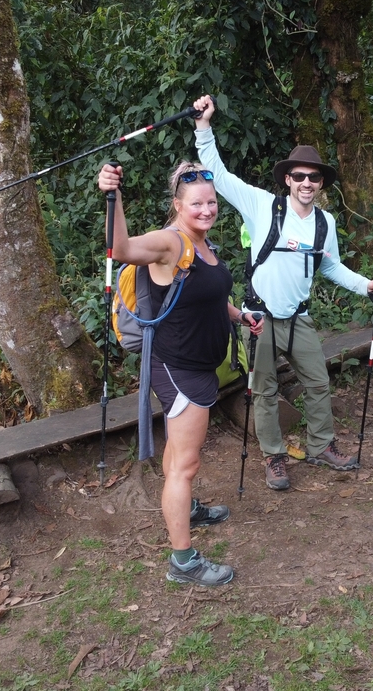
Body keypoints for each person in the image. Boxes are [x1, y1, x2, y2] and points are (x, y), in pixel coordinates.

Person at [189, 95, 373, 492]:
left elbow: (330, 267)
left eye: (313, 178)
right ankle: (274, 456)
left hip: (299, 317)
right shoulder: (262, 206)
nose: (306, 183)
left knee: (318, 382)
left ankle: (320, 446)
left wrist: (365, 285)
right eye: (299, 176)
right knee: (264, 391)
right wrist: (203, 127)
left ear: (320, 184)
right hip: (259, 318)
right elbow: (217, 173)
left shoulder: (325, 223)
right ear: (287, 179)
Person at [97, 160, 261, 586]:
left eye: (211, 202)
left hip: (199, 364)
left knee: (179, 458)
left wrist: (239, 316)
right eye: (196, 204)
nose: (206, 210)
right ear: (177, 204)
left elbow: (206, 296)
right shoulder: (170, 243)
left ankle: (186, 510)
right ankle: (183, 562)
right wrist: (113, 196)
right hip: (177, 367)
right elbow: (121, 249)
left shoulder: (202, 243)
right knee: (185, 466)